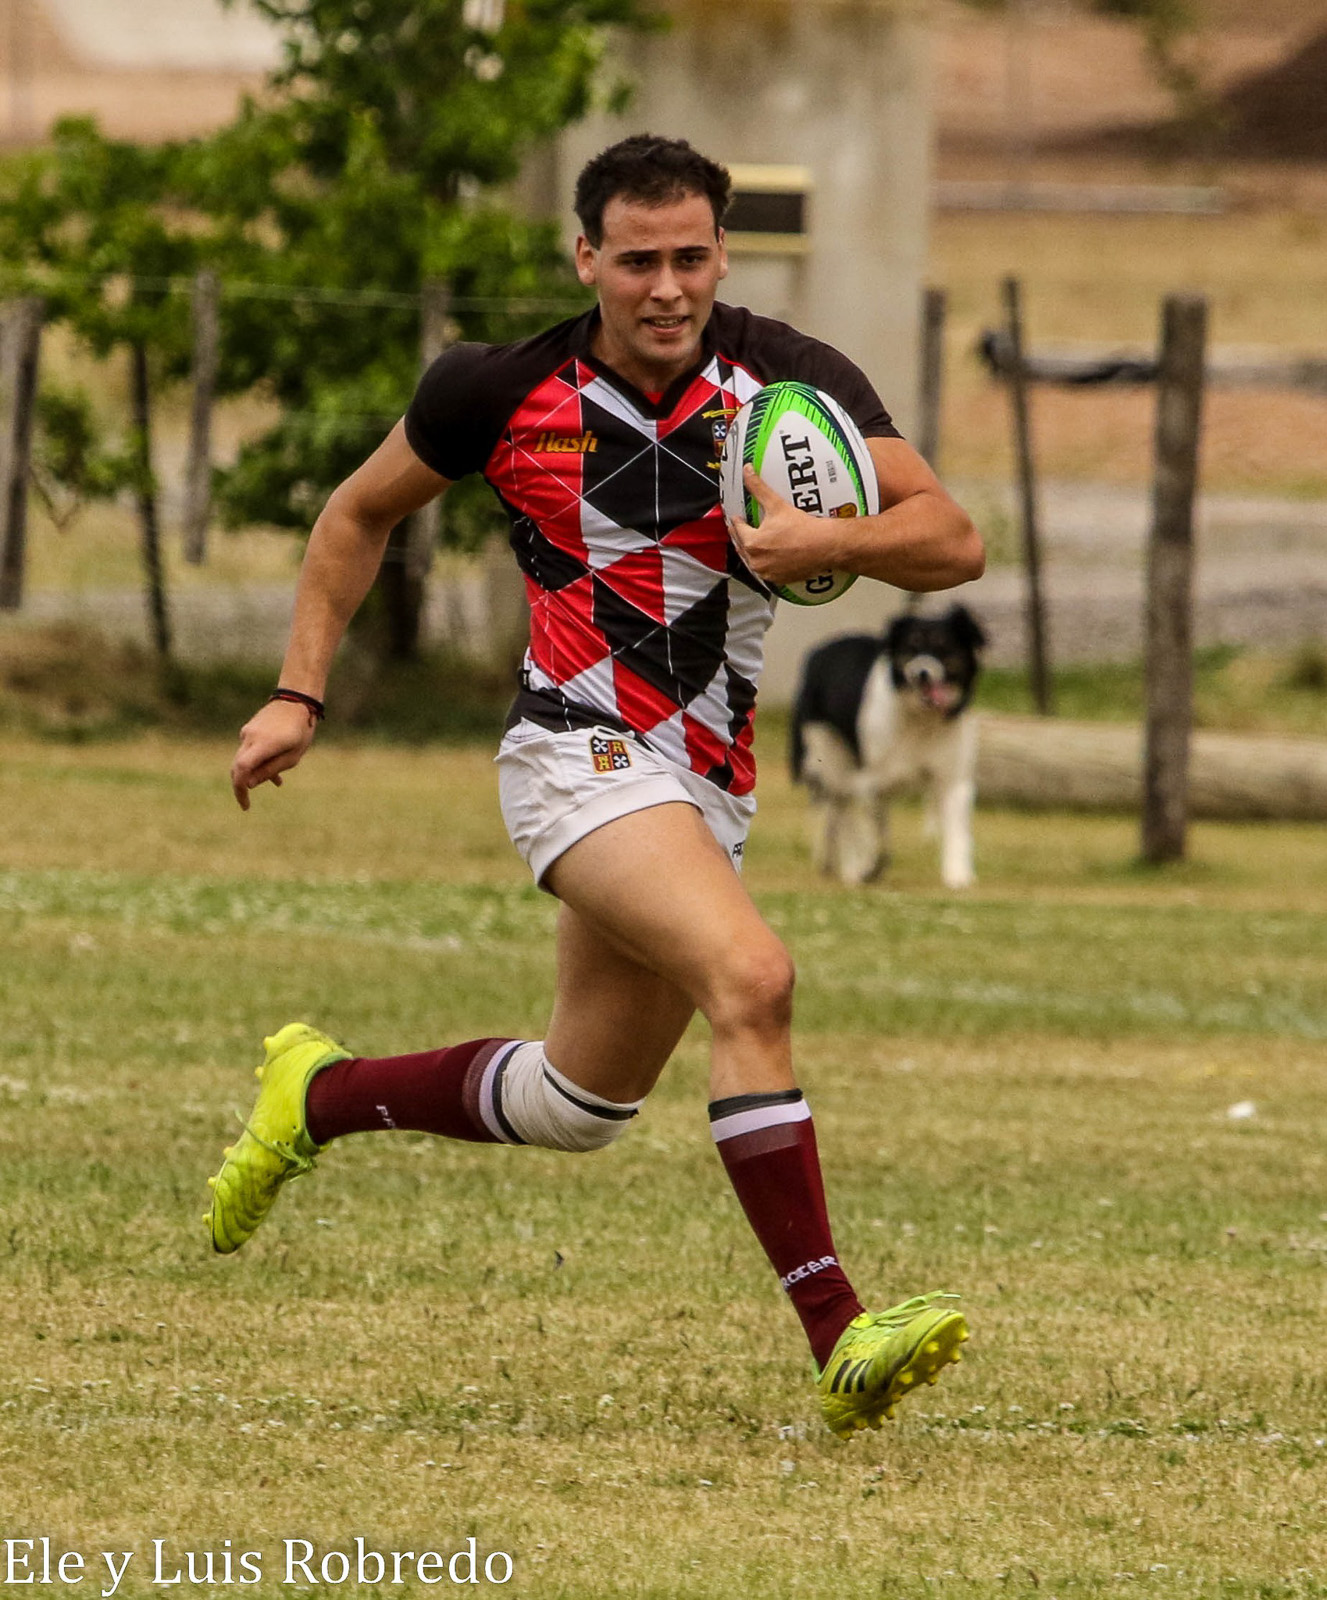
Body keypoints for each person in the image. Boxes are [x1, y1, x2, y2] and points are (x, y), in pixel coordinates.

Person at [207, 134, 985, 1440]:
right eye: (639, 261)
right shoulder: (497, 388)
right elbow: (355, 515)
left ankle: (316, 1094)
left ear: (721, 255)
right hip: (577, 752)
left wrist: (834, 540)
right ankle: (840, 1328)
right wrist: (299, 692)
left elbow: (952, 540)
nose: (668, 286)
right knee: (755, 979)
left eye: (692, 257)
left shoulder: (790, 380)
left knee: (580, 1102)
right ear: (587, 259)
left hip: (704, 782)